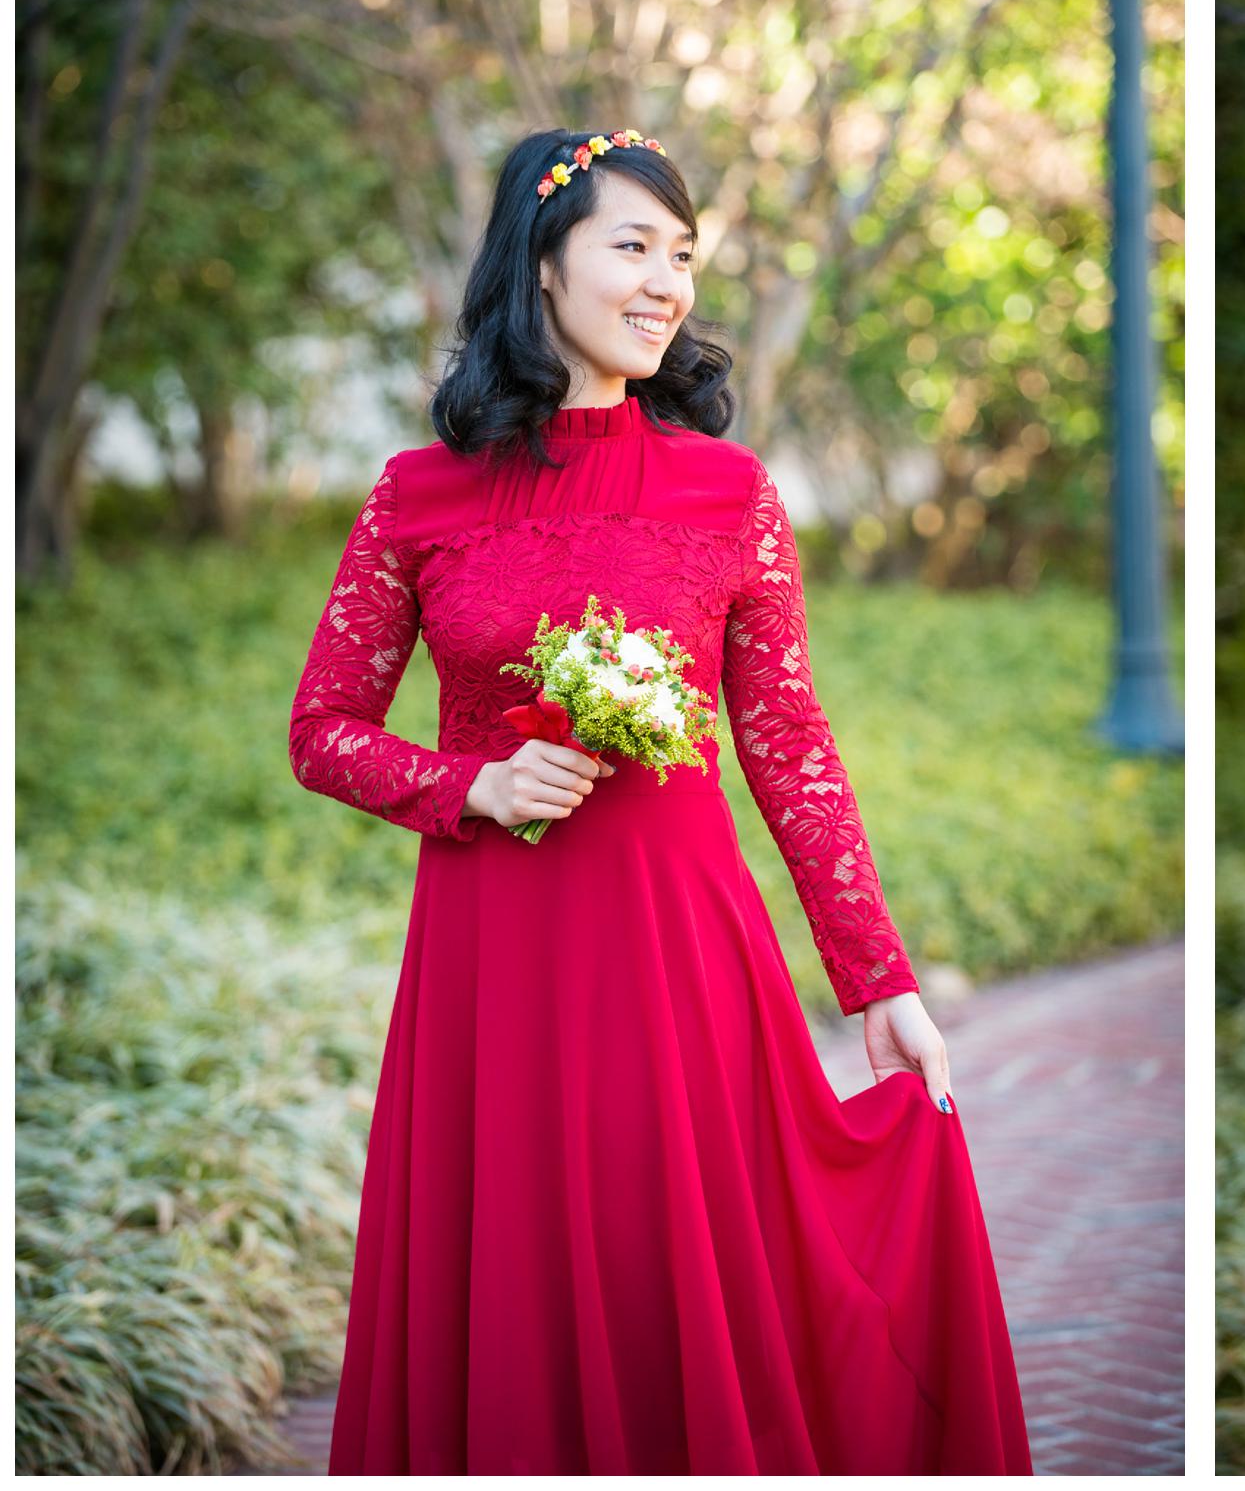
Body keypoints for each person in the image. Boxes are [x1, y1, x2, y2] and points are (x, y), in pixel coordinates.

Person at [289, 128, 1032, 1474]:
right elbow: (323, 732)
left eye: (681, 256)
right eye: (633, 246)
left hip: (683, 959)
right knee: (508, 1277)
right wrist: (472, 783)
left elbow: (790, 745)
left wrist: (881, 983)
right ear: (543, 264)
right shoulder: (416, 496)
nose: (664, 283)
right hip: (491, 966)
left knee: (674, 1275)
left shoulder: (728, 496)